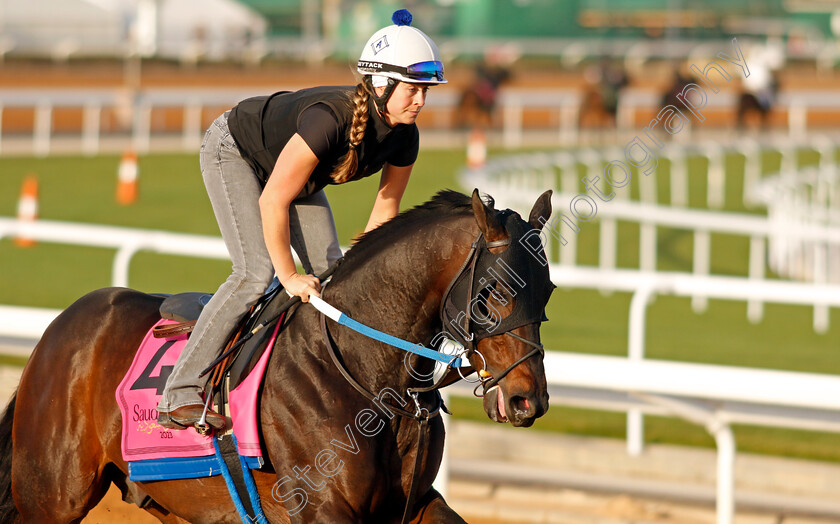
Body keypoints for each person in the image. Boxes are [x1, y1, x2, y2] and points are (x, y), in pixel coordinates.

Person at [156, 9, 447, 430]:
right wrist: (288, 276)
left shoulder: (406, 135)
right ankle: (179, 393)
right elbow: (273, 199)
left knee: (335, 278)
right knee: (255, 273)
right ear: (381, 84)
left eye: (426, 91)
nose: (421, 101)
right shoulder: (330, 119)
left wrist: (371, 274)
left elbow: (385, 210)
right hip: (235, 152)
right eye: (413, 89)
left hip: (296, 180)